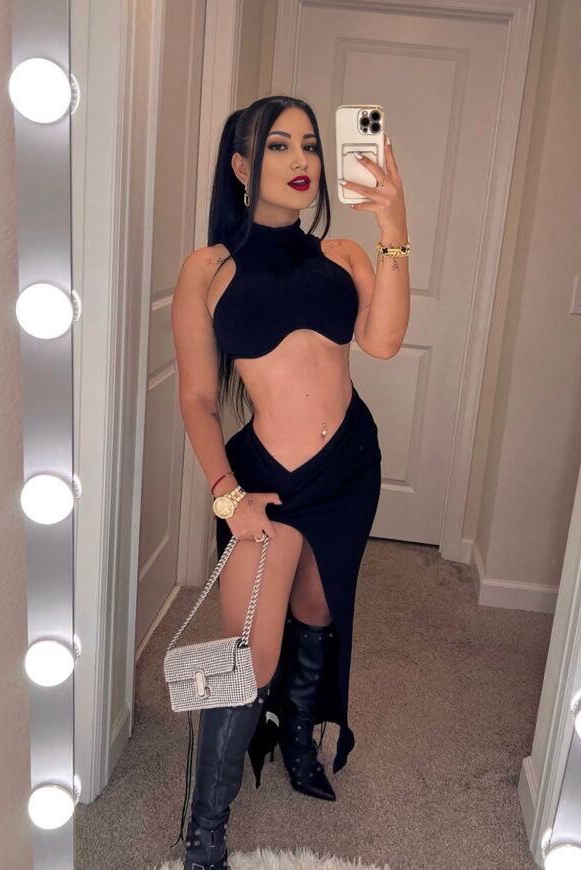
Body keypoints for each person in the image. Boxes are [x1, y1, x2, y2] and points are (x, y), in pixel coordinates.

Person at [170, 94, 410, 870]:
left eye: (310, 145)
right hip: (263, 482)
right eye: (279, 146)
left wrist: (394, 225)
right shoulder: (208, 269)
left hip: (349, 470)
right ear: (242, 166)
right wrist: (227, 494)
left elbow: (384, 341)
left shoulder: (343, 255)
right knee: (249, 654)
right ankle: (205, 829)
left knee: (318, 609)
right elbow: (198, 398)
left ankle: (298, 741)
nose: (302, 159)